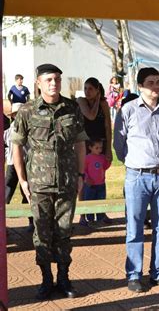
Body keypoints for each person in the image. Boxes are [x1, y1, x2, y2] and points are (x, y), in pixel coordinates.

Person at [12, 63, 87, 300]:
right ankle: (46, 279)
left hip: (66, 181)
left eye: (57, 79)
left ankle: (64, 278)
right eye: (49, 80)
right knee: (42, 233)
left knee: (64, 232)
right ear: (38, 83)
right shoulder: (27, 110)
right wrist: (22, 180)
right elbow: (17, 146)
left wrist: (81, 175)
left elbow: (80, 143)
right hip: (39, 184)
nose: (54, 83)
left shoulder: (71, 108)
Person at [114, 67, 159, 292]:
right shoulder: (128, 110)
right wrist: (133, 162)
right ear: (140, 86)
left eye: (158, 82)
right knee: (135, 228)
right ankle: (134, 274)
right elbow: (119, 144)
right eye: (151, 82)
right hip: (137, 176)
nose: (156, 87)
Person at [76, 77, 113, 225]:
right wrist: (97, 100)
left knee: (99, 177)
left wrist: (109, 148)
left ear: (97, 90)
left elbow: (107, 127)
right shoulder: (81, 101)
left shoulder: (104, 104)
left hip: (100, 144)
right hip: (85, 144)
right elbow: (90, 115)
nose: (87, 92)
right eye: (85, 88)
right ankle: (83, 215)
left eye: (90, 89)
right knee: (83, 178)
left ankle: (100, 213)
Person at [4, 102, 33, 231]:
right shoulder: (9, 130)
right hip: (12, 164)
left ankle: (31, 222)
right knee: (7, 193)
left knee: (27, 192)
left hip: (25, 164)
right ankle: (2, 222)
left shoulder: (29, 130)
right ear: (14, 116)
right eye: (17, 114)